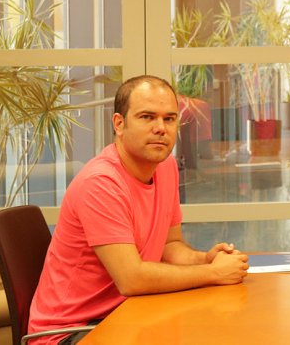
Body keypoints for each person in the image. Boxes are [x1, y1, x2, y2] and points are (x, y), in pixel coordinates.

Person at [29, 76, 249, 345]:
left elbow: (170, 245)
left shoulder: (165, 167)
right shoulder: (101, 182)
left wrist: (205, 259)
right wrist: (214, 274)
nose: (160, 128)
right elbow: (132, 279)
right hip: (73, 332)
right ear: (119, 124)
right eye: (147, 117)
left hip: (128, 313)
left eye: (169, 119)